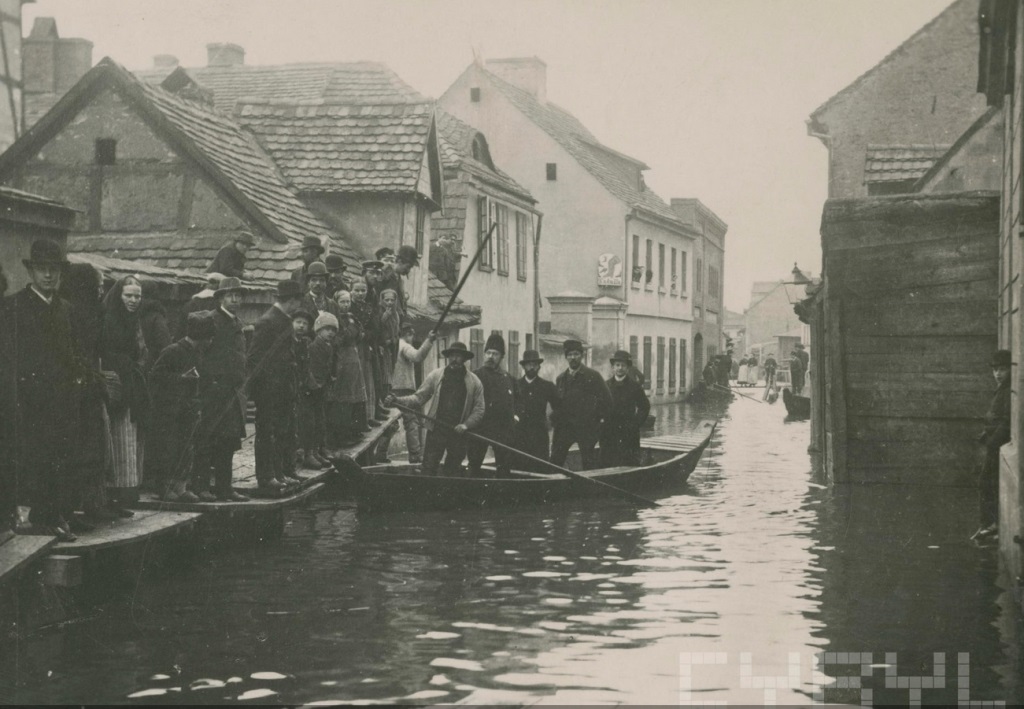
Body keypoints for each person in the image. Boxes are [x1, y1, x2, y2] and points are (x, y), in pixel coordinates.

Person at [1, 240, 87, 540]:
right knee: (31, 458)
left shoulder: (66, 309)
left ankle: (54, 515)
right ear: (31, 272)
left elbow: (76, 352)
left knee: (59, 456)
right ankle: (34, 518)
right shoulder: (13, 307)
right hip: (27, 400)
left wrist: (76, 379)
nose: (48, 276)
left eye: (54, 270)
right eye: (42, 269)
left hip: (61, 399)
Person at [59, 263, 114, 525]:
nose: (101, 290)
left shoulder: (91, 310)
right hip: (80, 387)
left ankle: (89, 504)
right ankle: (80, 507)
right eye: (98, 285)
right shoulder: (77, 312)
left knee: (92, 448)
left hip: (89, 385)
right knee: (84, 449)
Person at [387, 341, 484, 476]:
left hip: (458, 433)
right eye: (452, 356)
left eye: (458, 356)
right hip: (437, 429)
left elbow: (479, 409)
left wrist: (466, 425)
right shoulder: (436, 376)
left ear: (464, 359)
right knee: (429, 468)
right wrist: (397, 400)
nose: (454, 359)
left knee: (453, 471)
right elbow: (418, 398)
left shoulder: (474, 382)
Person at [148, 311, 215, 502]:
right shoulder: (172, 351)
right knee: (167, 449)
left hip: (187, 409)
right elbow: (155, 377)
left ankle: (180, 487)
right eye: (208, 338)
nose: (210, 342)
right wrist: (181, 379)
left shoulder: (197, 353)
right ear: (202, 338)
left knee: (185, 449)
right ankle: (163, 487)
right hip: (168, 411)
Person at [194, 277, 249, 503]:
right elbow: (200, 354)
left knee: (228, 441)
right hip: (213, 390)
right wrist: (211, 381)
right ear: (220, 298)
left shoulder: (237, 322)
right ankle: (201, 487)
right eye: (230, 296)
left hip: (232, 391)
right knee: (207, 440)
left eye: (238, 296)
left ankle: (225, 488)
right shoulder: (212, 320)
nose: (235, 300)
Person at [248, 279, 305, 493]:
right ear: (290, 301)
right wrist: (263, 387)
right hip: (269, 389)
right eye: (297, 301)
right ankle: (266, 477)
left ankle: (280, 473)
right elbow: (254, 358)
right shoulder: (268, 321)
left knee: (282, 431)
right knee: (266, 433)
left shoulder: (283, 319)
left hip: (283, 387)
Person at [101, 275, 150, 508]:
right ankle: (115, 493)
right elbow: (106, 351)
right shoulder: (109, 319)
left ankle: (127, 490)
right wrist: (127, 364)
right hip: (117, 388)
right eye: (128, 295)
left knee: (130, 440)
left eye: (137, 296)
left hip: (133, 385)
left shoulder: (134, 321)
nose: (133, 300)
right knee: (118, 440)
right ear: (118, 296)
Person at [551, 340, 611, 471]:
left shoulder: (592, 376)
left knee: (588, 462)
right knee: (556, 459)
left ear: (581, 356)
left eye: (576, 354)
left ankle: (589, 489)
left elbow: (607, 400)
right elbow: (558, 403)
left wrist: (598, 422)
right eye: (570, 354)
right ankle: (553, 486)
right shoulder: (561, 378)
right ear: (566, 357)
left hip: (586, 428)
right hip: (565, 427)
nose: (573, 357)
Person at [973, 349, 1011, 542]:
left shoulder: (1008, 391)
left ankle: (991, 525)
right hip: (993, 442)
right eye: (995, 369)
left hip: (998, 445)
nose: (998, 373)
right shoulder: (1002, 389)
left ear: (1010, 370)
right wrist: (985, 433)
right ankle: (989, 524)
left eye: (1002, 369)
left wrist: (991, 442)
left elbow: (1006, 422)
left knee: (986, 483)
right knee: (987, 483)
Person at [467, 333, 517, 477]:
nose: (490, 356)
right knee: (474, 465)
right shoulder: (475, 376)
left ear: (502, 357)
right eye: (488, 353)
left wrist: (516, 417)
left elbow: (519, 402)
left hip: (502, 430)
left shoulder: (509, 379)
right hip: (480, 428)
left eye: (495, 353)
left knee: (503, 467)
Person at [391, 323, 436, 464]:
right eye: (412, 334)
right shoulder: (404, 346)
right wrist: (429, 340)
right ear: (408, 334)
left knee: (390, 423)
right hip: (405, 389)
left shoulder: (393, 345)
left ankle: (380, 453)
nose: (412, 337)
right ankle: (415, 455)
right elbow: (417, 357)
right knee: (411, 422)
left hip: (391, 389)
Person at [331, 291, 368, 450]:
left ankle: (355, 431)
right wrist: (353, 330)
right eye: (342, 302)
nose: (345, 305)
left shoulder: (352, 317)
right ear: (336, 303)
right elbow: (344, 337)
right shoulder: (336, 319)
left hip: (354, 357)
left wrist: (355, 330)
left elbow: (359, 335)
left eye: (347, 302)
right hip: (343, 359)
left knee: (356, 395)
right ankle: (341, 435)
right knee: (345, 396)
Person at [600, 350, 651, 467]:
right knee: (607, 461)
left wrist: (635, 424)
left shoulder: (634, 387)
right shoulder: (605, 385)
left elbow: (644, 406)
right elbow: (598, 406)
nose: (620, 368)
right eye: (617, 365)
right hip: (609, 432)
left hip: (628, 432)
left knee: (629, 462)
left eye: (623, 365)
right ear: (613, 367)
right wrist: (601, 422)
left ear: (627, 369)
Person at [292, 309, 328, 470]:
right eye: (298, 322)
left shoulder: (305, 343)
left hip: (305, 387)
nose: (301, 326)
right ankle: (304, 454)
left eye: (305, 324)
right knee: (302, 421)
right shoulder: (288, 342)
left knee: (313, 420)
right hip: (294, 388)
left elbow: (306, 367)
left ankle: (312, 452)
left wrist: (313, 384)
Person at [513, 349, 559, 471]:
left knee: (540, 468)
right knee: (519, 468)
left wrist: (551, 422)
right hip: (519, 436)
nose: (532, 367)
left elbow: (559, 407)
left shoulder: (547, 386)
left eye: (535, 364)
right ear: (523, 366)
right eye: (528, 364)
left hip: (539, 436)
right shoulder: (515, 385)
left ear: (539, 366)